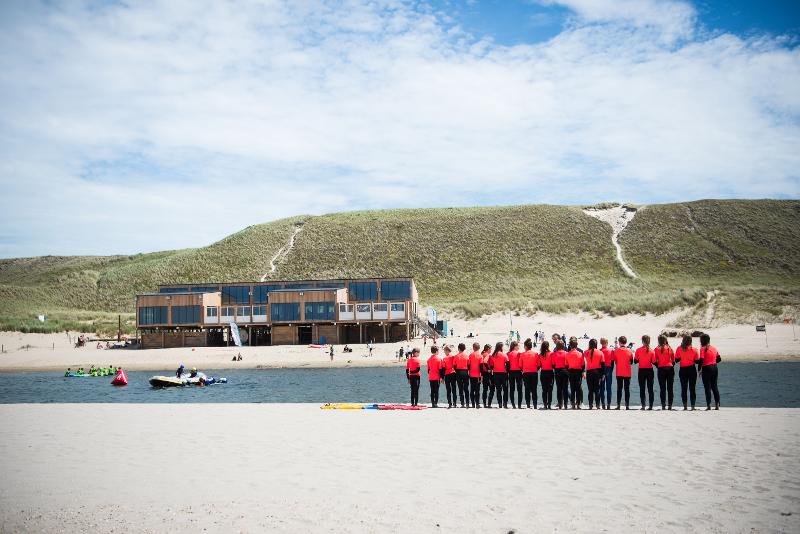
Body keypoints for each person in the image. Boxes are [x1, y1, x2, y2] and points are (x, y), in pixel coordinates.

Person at [676, 335, 700, 410]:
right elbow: (697, 361)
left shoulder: (679, 348)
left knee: (684, 388)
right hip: (692, 370)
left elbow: (676, 360)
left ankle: (685, 407)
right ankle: (692, 407)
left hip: (683, 370)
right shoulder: (694, 349)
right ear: (691, 341)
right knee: (692, 388)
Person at [699, 333, 721, 410]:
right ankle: (717, 404)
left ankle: (708, 405)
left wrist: (699, 370)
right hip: (715, 368)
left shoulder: (702, 349)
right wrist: (712, 361)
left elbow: (701, 360)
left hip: (706, 369)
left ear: (702, 341)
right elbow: (719, 359)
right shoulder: (714, 348)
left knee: (707, 388)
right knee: (714, 386)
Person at [655, 335, 676, 410]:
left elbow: (654, 361)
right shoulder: (670, 348)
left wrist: (658, 366)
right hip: (670, 368)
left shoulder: (656, 349)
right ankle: (670, 405)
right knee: (670, 388)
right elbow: (674, 361)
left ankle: (663, 405)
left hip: (661, 369)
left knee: (662, 388)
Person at [634, 335, 656, 410]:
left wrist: (641, 359)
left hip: (642, 371)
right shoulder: (652, 351)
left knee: (642, 389)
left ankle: (643, 405)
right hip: (650, 370)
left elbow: (635, 361)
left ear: (642, 341)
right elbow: (654, 362)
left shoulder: (638, 350)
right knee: (650, 389)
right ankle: (650, 406)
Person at [583, 339, 604, 410]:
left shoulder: (586, 352)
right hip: (597, 372)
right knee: (597, 390)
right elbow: (602, 365)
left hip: (589, 372)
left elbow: (585, 355)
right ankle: (598, 405)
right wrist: (603, 374)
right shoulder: (600, 352)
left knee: (590, 390)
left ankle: (590, 405)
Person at [613, 337, 633, 410]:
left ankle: (618, 405)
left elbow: (615, 361)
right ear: (625, 342)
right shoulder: (629, 351)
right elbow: (631, 362)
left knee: (619, 389)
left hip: (619, 372)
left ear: (619, 342)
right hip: (627, 372)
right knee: (627, 389)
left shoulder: (616, 351)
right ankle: (627, 405)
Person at [520, 338, 540, 409]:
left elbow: (520, 365)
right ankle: (535, 404)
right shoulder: (535, 354)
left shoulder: (522, 354)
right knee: (534, 389)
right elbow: (538, 365)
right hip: (534, 373)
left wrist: (524, 369)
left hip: (526, 373)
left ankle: (528, 404)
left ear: (525, 346)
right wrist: (535, 370)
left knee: (527, 389)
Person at [566, 338, 585, 409]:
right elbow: (583, 365)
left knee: (572, 388)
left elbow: (566, 365)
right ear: (576, 346)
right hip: (578, 372)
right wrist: (582, 371)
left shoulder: (567, 354)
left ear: (570, 346)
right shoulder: (580, 354)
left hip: (571, 372)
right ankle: (578, 404)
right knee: (578, 388)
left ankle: (573, 404)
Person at [489, 342, 508, 408]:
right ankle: (505, 403)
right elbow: (508, 364)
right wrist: (507, 371)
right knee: (505, 389)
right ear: (501, 347)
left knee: (498, 389)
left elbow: (491, 365)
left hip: (496, 373)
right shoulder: (504, 355)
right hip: (503, 373)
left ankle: (500, 403)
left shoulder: (493, 355)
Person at [552, 341, 569, 409]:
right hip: (565, 371)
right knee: (565, 388)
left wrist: (556, 369)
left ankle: (560, 404)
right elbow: (568, 364)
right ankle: (565, 404)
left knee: (559, 388)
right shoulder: (567, 353)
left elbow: (553, 365)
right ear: (563, 346)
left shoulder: (554, 354)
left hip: (557, 371)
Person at [506, 341, 523, 409]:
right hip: (518, 372)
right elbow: (521, 363)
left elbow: (507, 364)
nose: (519, 347)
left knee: (512, 389)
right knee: (519, 389)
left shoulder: (508, 353)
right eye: (518, 346)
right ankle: (519, 405)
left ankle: (513, 404)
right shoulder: (519, 353)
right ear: (515, 346)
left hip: (511, 372)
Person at [453, 343, 470, 408]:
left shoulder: (456, 356)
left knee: (460, 388)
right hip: (465, 372)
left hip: (458, 372)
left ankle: (462, 403)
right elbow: (469, 365)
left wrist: (457, 371)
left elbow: (454, 365)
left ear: (458, 348)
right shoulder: (466, 356)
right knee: (466, 388)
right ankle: (467, 403)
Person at [538, 341, 554, 409]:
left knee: (544, 390)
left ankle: (545, 404)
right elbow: (553, 364)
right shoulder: (551, 354)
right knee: (550, 390)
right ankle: (549, 404)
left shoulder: (540, 355)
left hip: (543, 372)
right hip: (550, 372)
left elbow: (539, 365)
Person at [600, 338, 613, 410]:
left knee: (602, 387)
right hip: (608, 368)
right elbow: (612, 362)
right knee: (609, 387)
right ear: (607, 343)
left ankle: (603, 404)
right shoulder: (611, 351)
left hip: (601, 369)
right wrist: (611, 370)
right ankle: (608, 404)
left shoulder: (599, 351)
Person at [468, 343, 483, 409]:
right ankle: (477, 403)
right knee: (477, 390)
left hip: (471, 374)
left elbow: (468, 365)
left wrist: (469, 371)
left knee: (472, 389)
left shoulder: (470, 355)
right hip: (477, 375)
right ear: (479, 348)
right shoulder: (480, 356)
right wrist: (481, 375)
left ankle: (473, 404)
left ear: (473, 348)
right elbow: (481, 366)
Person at [480, 343, 494, 408]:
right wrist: (489, 369)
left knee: (485, 390)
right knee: (492, 389)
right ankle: (489, 404)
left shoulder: (482, 354)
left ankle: (484, 404)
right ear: (488, 349)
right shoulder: (487, 355)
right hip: (488, 374)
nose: (491, 350)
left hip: (483, 374)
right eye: (490, 349)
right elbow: (485, 362)